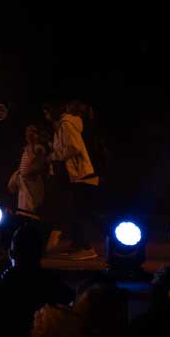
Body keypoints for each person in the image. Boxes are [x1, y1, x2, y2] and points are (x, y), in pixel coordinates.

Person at [47, 101, 100, 259]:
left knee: (81, 212)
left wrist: (53, 156)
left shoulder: (66, 124)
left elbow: (74, 147)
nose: (46, 115)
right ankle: (77, 245)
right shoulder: (63, 126)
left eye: (47, 111)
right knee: (77, 211)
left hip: (82, 174)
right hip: (79, 175)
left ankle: (86, 248)